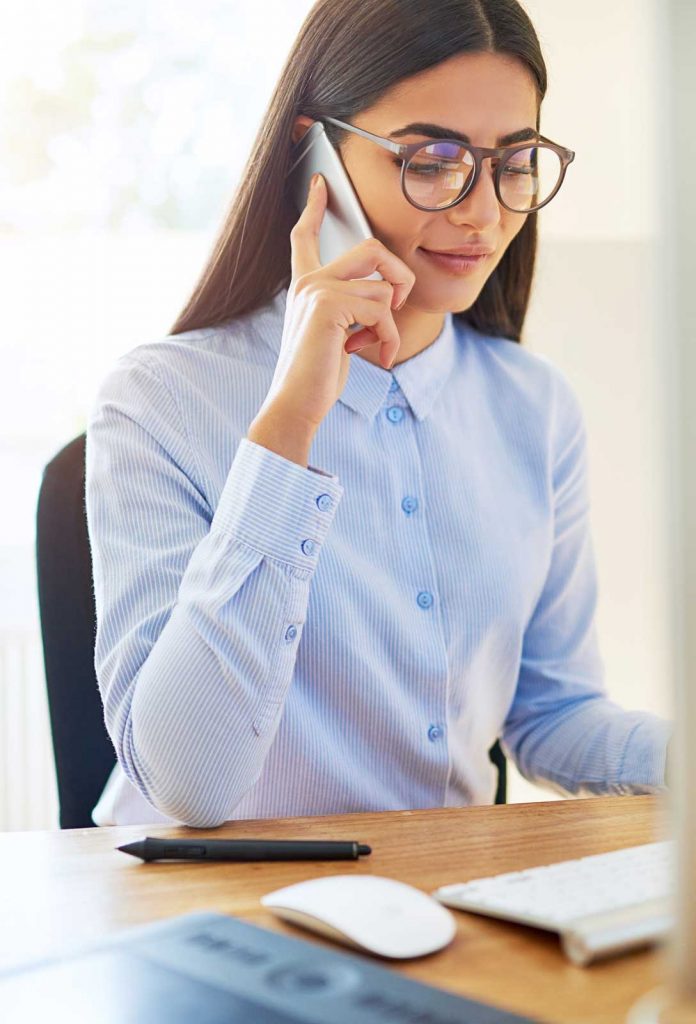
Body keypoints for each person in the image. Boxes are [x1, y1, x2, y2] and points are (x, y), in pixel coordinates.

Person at [85, 0, 672, 827]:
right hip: (205, 911)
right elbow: (189, 785)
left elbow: (553, 715)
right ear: (311, 148)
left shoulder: (534, 408)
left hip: (437, 914)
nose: (482, 211)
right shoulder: (160, 399)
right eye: (432, 159)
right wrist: (291, 419)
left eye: (515, 161)